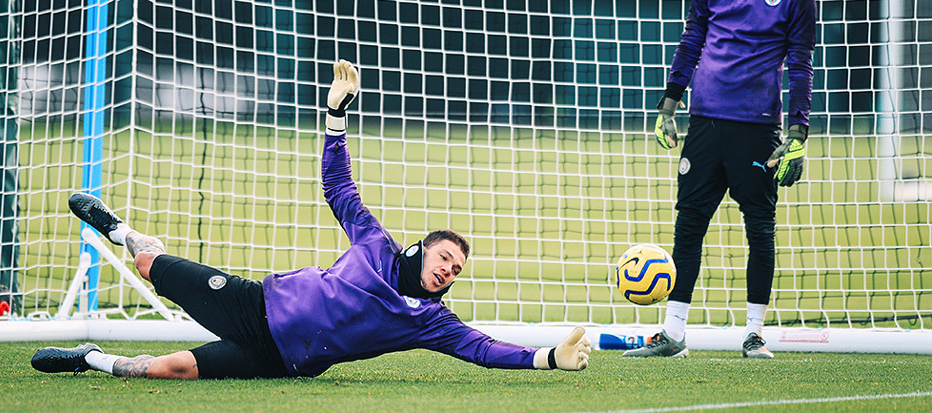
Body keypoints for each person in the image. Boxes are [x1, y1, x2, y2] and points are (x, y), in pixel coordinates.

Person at [31, 59, 591, 379]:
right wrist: (335, 117)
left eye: (456, 270)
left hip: (280, 359)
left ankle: (90, 359)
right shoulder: (375, 244)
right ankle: (120, 229)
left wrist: (548, 358)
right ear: (422, 249)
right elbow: (338, 186)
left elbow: (484, 349)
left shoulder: (429, 321)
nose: (449, 270)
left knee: (166, 370)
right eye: (446, 258)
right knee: (149, 265)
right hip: (255, 303)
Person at [624, 0, 815, 359]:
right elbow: (692, 40)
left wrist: (797, 133)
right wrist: (670, 102)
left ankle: (754, 334)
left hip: (757, 129)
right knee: (688, 225)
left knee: (760, 229)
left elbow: (800, 65)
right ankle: (673, 335)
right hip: (705, 124)